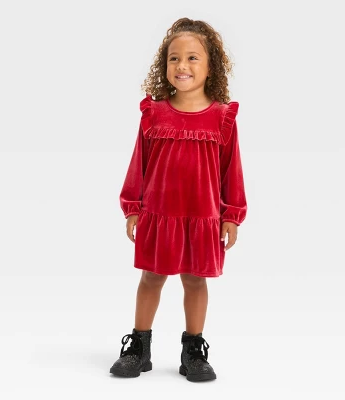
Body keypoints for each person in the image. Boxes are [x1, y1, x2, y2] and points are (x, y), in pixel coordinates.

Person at [110, 17, 247, 382]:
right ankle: (139, 346)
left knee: (196, 281)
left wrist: (231, 215)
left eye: (192, 58)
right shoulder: (154, 113)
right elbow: (138, 164)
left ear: (211, 66)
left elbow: (231, 170)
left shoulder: (222, 118)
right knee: (151, 278)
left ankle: (193, 350)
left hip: (202, 216)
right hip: (159, 215)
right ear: (164, 65)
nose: (182, 65)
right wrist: (133, 207)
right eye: (174, 58)